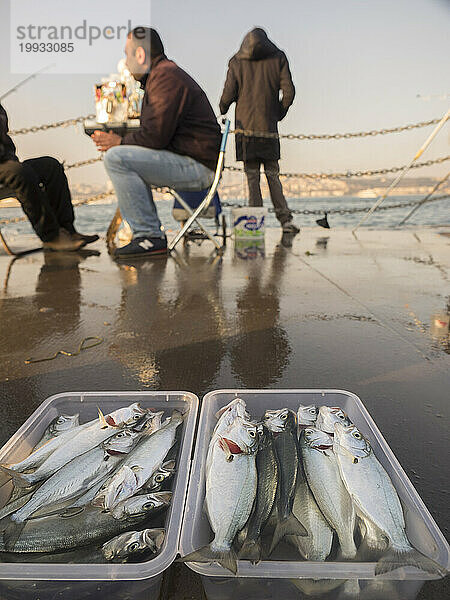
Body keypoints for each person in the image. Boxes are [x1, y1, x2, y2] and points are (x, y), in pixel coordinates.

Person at [92, 28, 221, 259]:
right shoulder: (163, 76)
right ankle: (146, 233)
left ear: (140, 55)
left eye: (128, 54)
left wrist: (118, 141)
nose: (126, 61)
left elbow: (154, 137)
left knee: (116, 158)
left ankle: (149, 235)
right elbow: (156, 134)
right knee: (121, 156)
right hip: (193, 160)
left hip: (197, 167)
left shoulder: (165, 77)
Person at [219, 28, 299, 234]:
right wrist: (277, 113)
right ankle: (285, 220)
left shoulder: (236, 62)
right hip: (268, 127)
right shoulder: (278, 58)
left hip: (245, 129)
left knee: (252, 177)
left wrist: (222, 108)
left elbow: (228, 93)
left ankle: (255, 224)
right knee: (273, 176)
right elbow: (289, 92)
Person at [0, 103, 98, 251]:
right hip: (7, 167)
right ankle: (51, 237)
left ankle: (66, 230)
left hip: (5, 162)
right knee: (19, 173)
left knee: (50, 166)